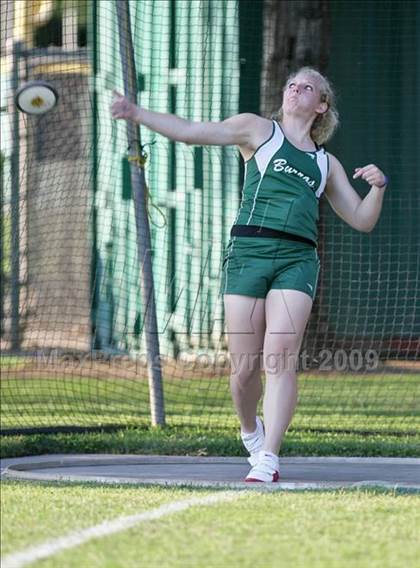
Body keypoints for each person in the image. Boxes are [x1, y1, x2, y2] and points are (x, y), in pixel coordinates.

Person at [110, 66, 388, 482]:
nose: (296, 89)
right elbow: (190, 131)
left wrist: (379, 187)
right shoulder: (257, 130)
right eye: (292, 84)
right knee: (243, 370)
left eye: (308, 87)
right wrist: (135, 112)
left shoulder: (325, 163)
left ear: (322, 106)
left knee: (280, 357)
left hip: (297, 258)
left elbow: (362, 220)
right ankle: (250, 431)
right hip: (248, 252)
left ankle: (269, 458)